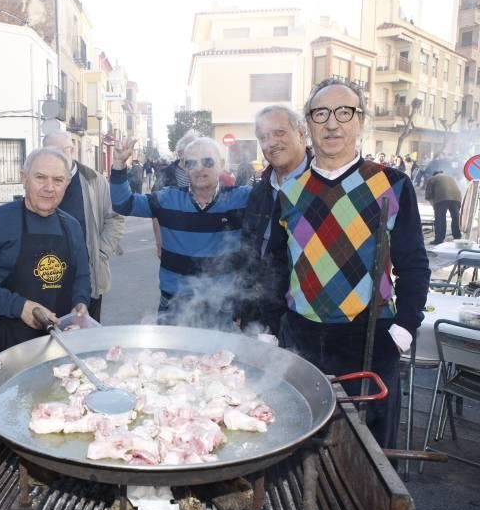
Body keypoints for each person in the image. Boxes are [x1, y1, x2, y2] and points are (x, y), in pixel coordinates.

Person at [268, 78, 430, 449]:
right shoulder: (290, 191)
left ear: (360, 121)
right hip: (302, 336)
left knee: (371, 452)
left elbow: (414, 264)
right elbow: (278, 265)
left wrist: (404, 327)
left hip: (370, 336)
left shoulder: (392, 184)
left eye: (345, 112)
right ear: (307, 124)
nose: (332, 123)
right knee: (301, 441)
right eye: (320, 113)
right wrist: (270, 322)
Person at [0, 147, 91, 357]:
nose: (49, 187)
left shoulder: (72, 226)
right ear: (24, 178)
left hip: (60, 342)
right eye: (40, 178)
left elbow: (82, 276)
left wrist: (81, 303)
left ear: (67, 184)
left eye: (58, 180)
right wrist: (19, 306)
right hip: (7, 343)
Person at [110, 137, 251, 329]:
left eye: (208, 161)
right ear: (184, 167)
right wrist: (118, 166)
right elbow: (123, 204)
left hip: (222, 306)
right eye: (192, 163)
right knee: (172, 358)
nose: (200, 168)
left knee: (221, 358)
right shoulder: (168, 198)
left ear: (222, 165)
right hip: (174, 305)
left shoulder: (241, 198)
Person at [240, 106, 311, 335]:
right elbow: (249, 250)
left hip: (304, 320)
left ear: (301, 133)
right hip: (260, 314)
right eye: (263, 137)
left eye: (279, 133)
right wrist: (242, 308)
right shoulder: (260, 190)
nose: (271, 143)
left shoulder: (323, 186)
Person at [41, 131, 124, 322]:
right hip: (48, 278)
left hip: (88, 276)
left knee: (86, 339)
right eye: (48, 153)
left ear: (71, 150)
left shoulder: (94, 181)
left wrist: (100, 253)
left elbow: (115, 219)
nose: (52, 159)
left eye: (58, 152)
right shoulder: (41, 181)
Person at [425, 170, 462, 245]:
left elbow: (428, 195)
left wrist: (433, 205)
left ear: (434, 174)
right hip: (457, 198)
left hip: (442, 198)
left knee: (440, 219)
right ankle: (457, 236)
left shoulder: (433, 178)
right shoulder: (451, 178)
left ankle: (439, 239)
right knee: (455, 217)